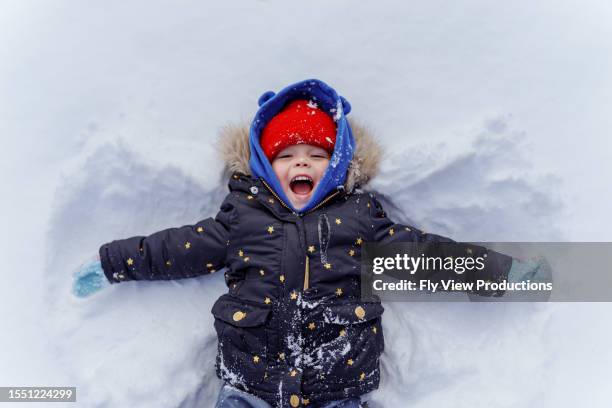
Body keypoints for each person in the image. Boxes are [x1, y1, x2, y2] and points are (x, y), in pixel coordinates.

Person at [72, 79, 550, 408]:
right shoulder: (241, 217)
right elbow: (176, 248)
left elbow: (426, 257)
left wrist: (501, 273)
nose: (302, 164)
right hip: (250, 387)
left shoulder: (360, 220)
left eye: (316, 154)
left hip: (338, 386)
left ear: (338, 163)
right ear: (264, 164)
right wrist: (113, 262)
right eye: (287, 155)